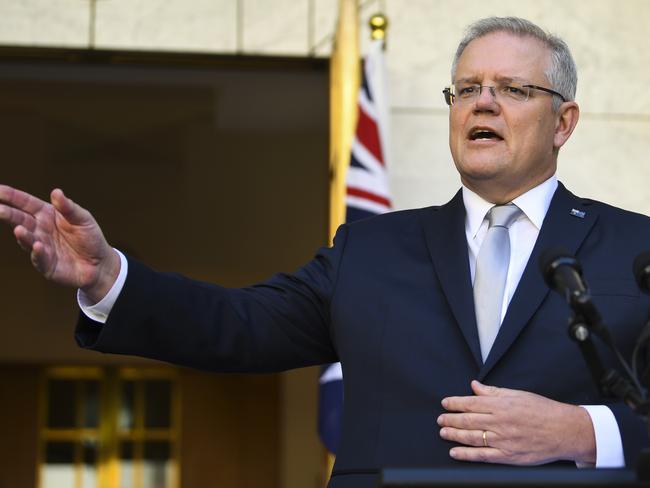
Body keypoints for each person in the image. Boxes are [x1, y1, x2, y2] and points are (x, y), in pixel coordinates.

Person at [1, 16, 649, 488]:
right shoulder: (371, 249)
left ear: (563, 121)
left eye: (511, 88)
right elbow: (241, 327)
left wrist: (583, 433)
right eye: (466, 88)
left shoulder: (635, 248)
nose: (482, 101)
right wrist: (110, 276)